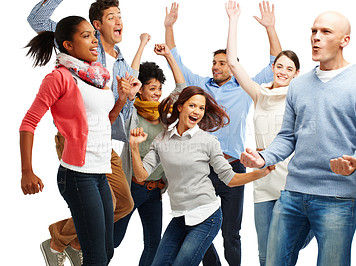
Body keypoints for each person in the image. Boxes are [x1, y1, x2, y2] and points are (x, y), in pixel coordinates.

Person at [240, 11, 356, 266]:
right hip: (293, 193)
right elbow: (287, 137)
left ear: (345, 40)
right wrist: (263, 158)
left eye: (326, 32)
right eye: (313, 31)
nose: (316, 38)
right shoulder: (299, 85)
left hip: (338, 198)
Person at [164, 3, 279, 265]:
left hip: (232, 167)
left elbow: (275, 63)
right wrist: (169, 26)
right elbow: (175, 59)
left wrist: (270, 29)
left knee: (231, 233)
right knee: (197, 227)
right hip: (202, 168)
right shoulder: (200, 86)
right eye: (214, 62)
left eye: (222, 63)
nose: (216, 66)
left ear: (233, 65)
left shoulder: (245, 86)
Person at [20, 16, 141, 266]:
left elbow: (103, 122)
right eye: (86, 36)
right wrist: (27, 172)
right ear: (68, 45)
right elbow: (29, 123)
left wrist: (121, 98)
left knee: (106, 253)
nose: (94, 40)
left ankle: (67, 247)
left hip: (100, 171)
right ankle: (56, 244)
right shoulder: (60, 78)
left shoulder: (98, 76)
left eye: (93, 35)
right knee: (97, 257)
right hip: (78, 175)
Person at [128, 86, 276, 265]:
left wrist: (262, 172)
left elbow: (230, 178)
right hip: (180, 217)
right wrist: (134, 147)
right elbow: (141, 175)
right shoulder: (162, 140)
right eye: (192, 106)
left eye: (201, 108)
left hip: (207, 217)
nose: (197, 111)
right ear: (180, 107)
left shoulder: (208, 141)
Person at [224, 2, 300, 265]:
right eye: (279, 66)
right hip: (264, 183)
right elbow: (232, 63)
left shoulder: (297, 94)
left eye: (289, 69)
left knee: (286, 252)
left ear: (297, 74)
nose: (283, 72)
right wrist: (234, 20)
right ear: (273, 68)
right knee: (266, 255)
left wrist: (271, 29)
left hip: (294, 185)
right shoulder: (260, 94)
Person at [112, 34, 187, 265]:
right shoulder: (130, 113)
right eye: (152, 88)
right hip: (133, 187)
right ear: (140, 89)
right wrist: (142, 44)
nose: (157, 92)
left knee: (154, 244)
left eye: (159, 88)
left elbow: (182, 87)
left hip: (155, 190)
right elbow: (130, 79)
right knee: (112, 240)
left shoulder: (165, 113)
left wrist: (168, 56)